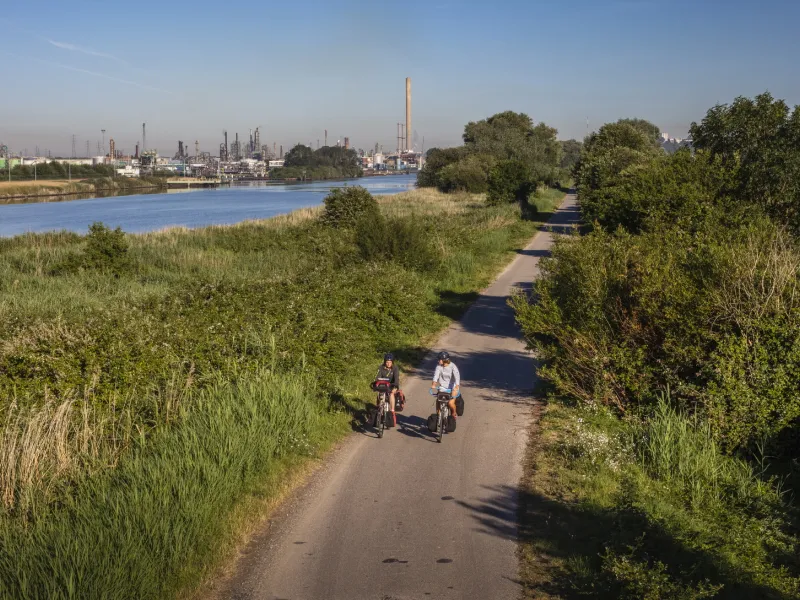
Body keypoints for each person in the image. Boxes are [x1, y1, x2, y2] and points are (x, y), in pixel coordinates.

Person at [430, 351, 460, 420]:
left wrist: (457, 386)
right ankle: (438, 416)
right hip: (443, 387)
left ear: (444, 360)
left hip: (453, 387)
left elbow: (457, 376)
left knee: (450, 403)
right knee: (438, 400)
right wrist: (434, 384)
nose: (438, 361)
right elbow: (436, 375)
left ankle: (454, 413)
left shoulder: (453, 366)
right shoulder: (439, 367)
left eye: (440, 359)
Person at [374, 353, 401, 426]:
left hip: (392, 385)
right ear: (384, 362)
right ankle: (379, 409)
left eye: (390, 362)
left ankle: (392, 411)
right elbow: (377, 378)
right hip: (383, 385)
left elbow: (396, 379)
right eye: (387, 362)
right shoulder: (381, 367)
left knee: (391, 394)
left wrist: (395, 387)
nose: (388, 364)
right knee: (379, 394)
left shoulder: (395, 368)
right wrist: (375, 384)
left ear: (392, 362)